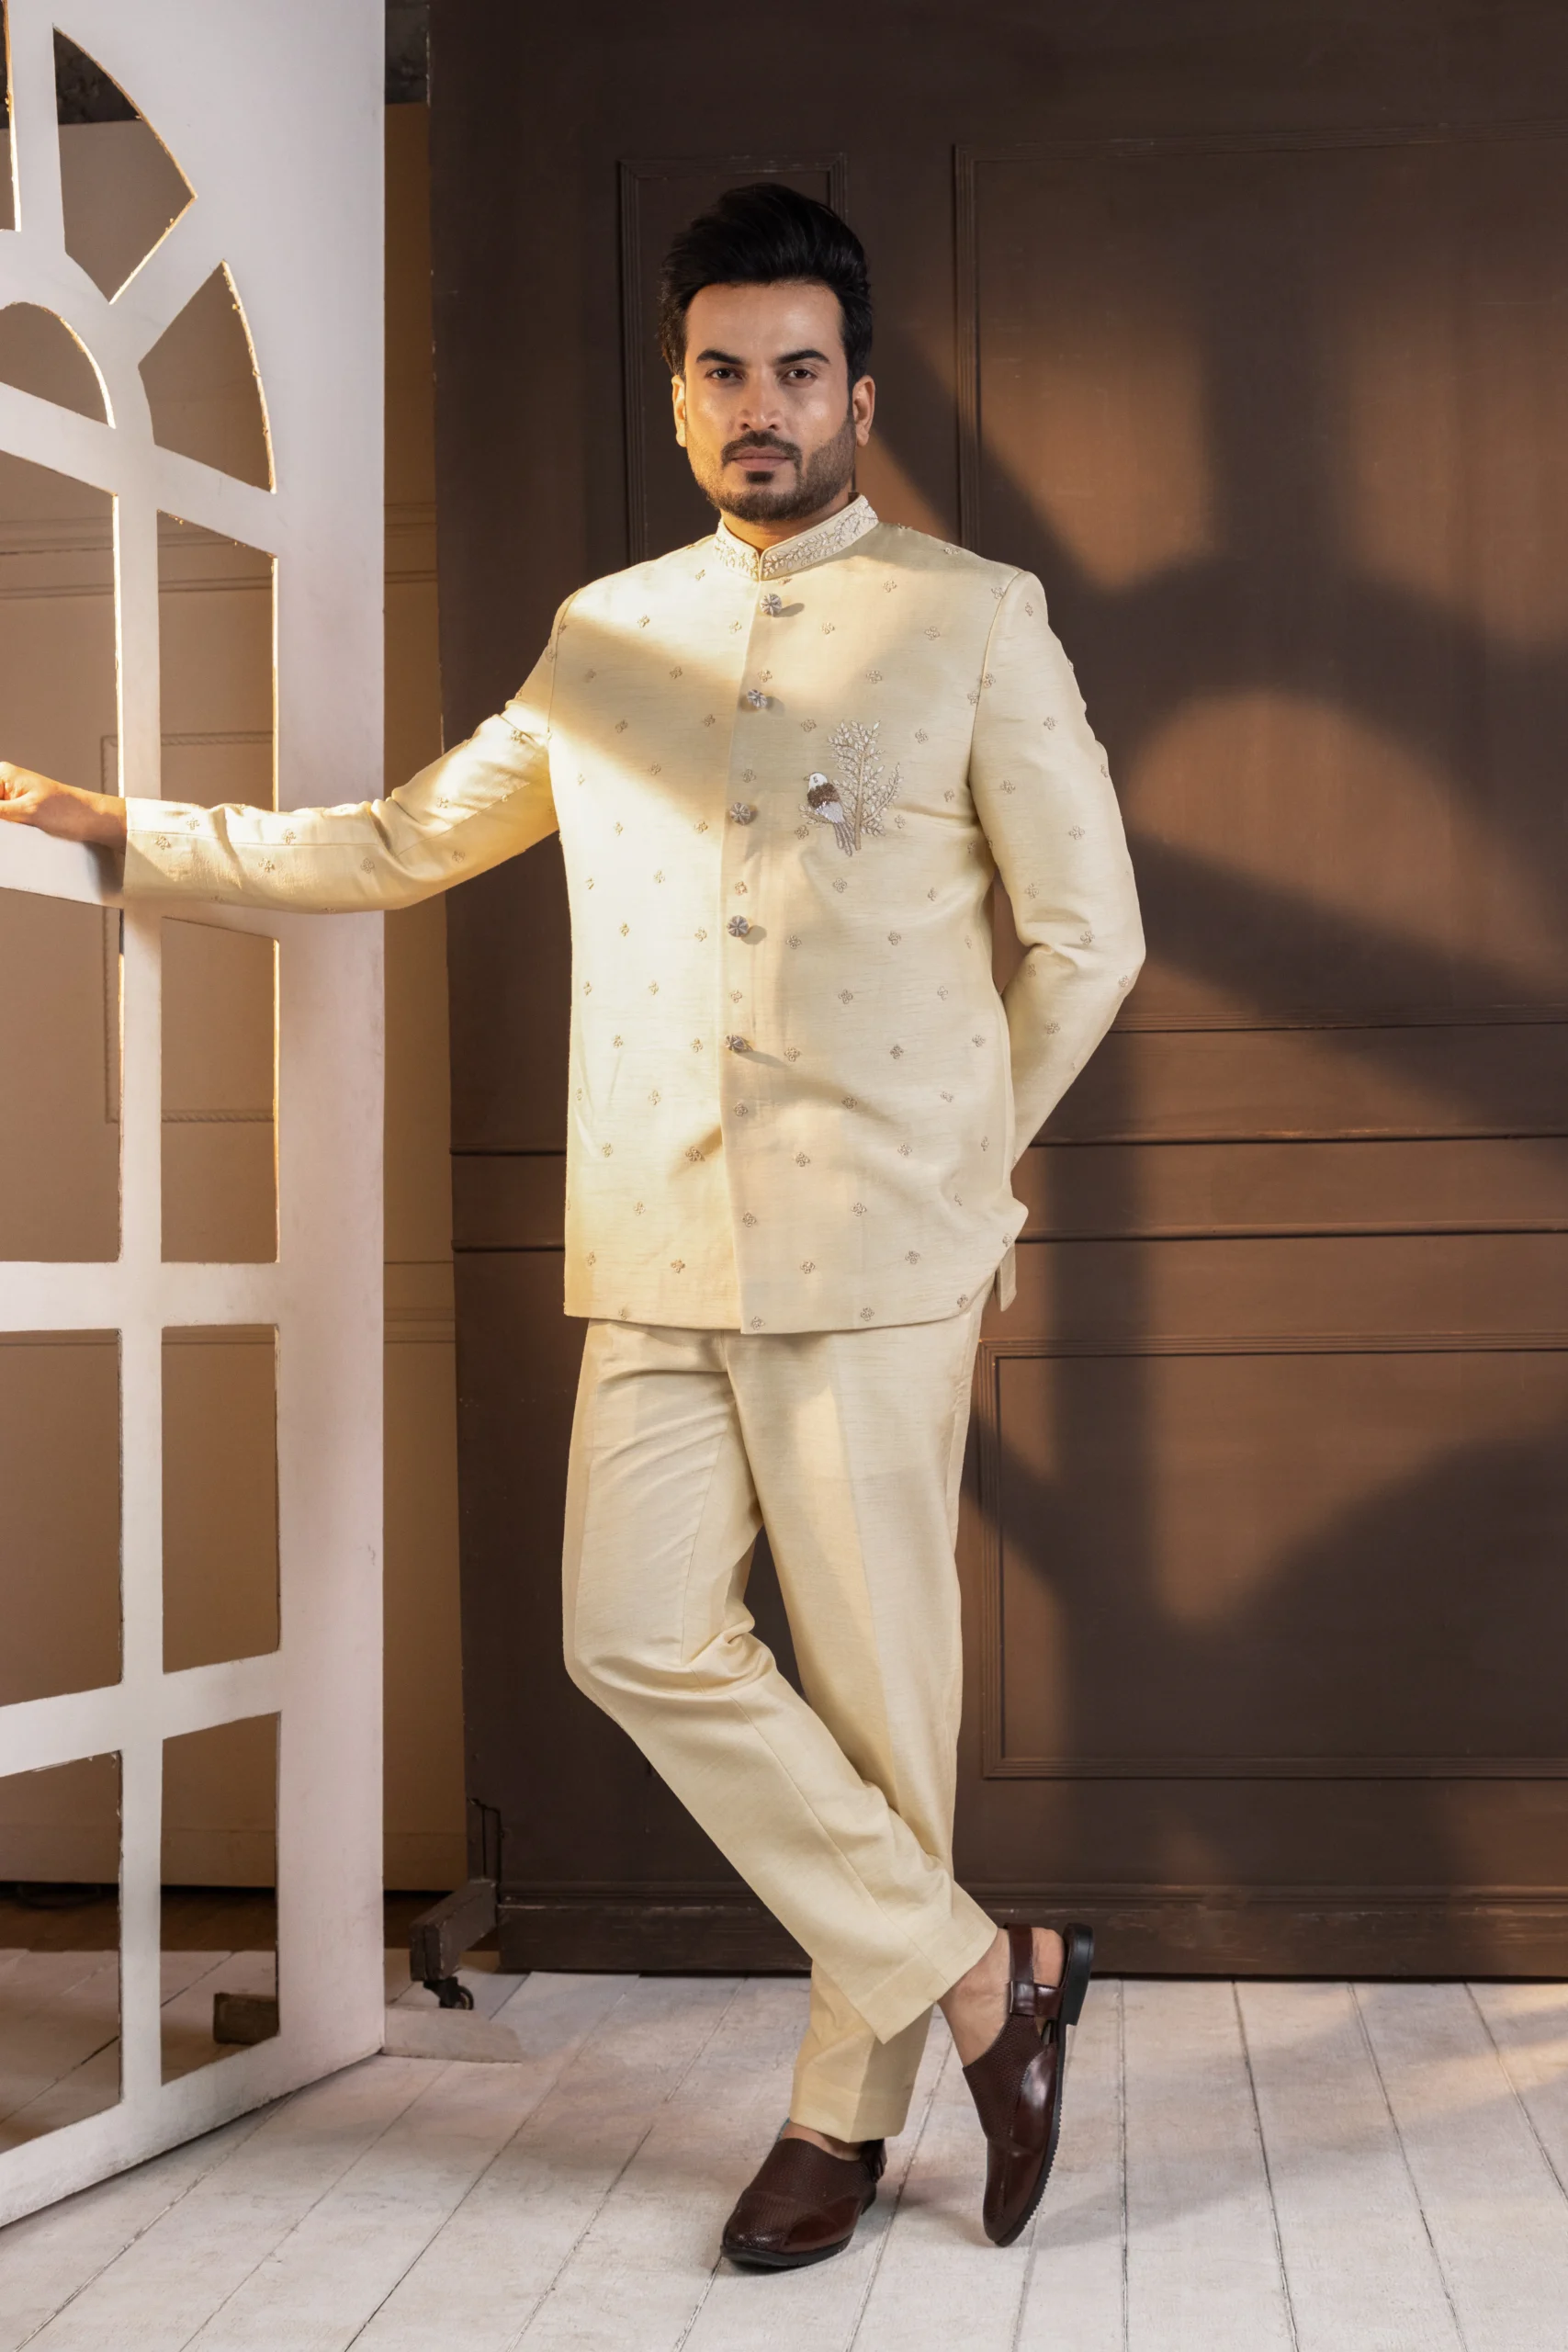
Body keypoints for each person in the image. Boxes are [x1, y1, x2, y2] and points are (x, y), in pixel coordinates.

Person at [0, 183, 1142, 2264]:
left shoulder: (977, 618)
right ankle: (993, 1975)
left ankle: (839, 2120)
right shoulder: (605, 634)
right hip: (655, 1232)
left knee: (881, 1703)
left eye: (797, 369)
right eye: (723, 370)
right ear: (679, 394)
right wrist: (124, 830)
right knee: (630, 1631)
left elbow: (1088, 939)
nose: (759, 404)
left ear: (859, 396)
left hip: (883, 1251)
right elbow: (394, 841)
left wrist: (969, 1173)